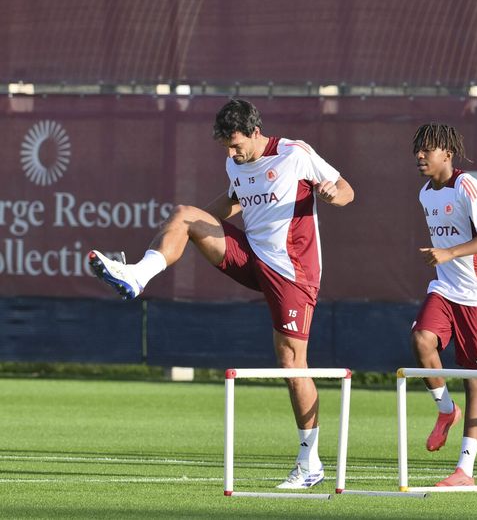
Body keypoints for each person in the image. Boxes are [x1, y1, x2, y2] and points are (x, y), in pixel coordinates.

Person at [86, 99, 353, 490]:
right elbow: (229, 203)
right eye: (225, 146)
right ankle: (139, 276)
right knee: (183, 214)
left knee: (291, 361)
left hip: (293, 272)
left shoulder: (295, 154)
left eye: (235, 144)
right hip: (252, 258)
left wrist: (332, 194)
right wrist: (187, 220)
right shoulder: (235, 163)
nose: (230, 153)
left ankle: (309, 460)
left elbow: (347, 190)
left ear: (255, 132)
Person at [410, 123, 477, 488]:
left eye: (427, 150)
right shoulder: (424, 194)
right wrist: (446, 259)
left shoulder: (467, 186)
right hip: (446, 288)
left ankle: (465, 469)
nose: (420, 156)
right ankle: (446, 411)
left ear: (446, 154)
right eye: (417, 150)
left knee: (476, 378)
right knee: (421, 340)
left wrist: (450, 252)